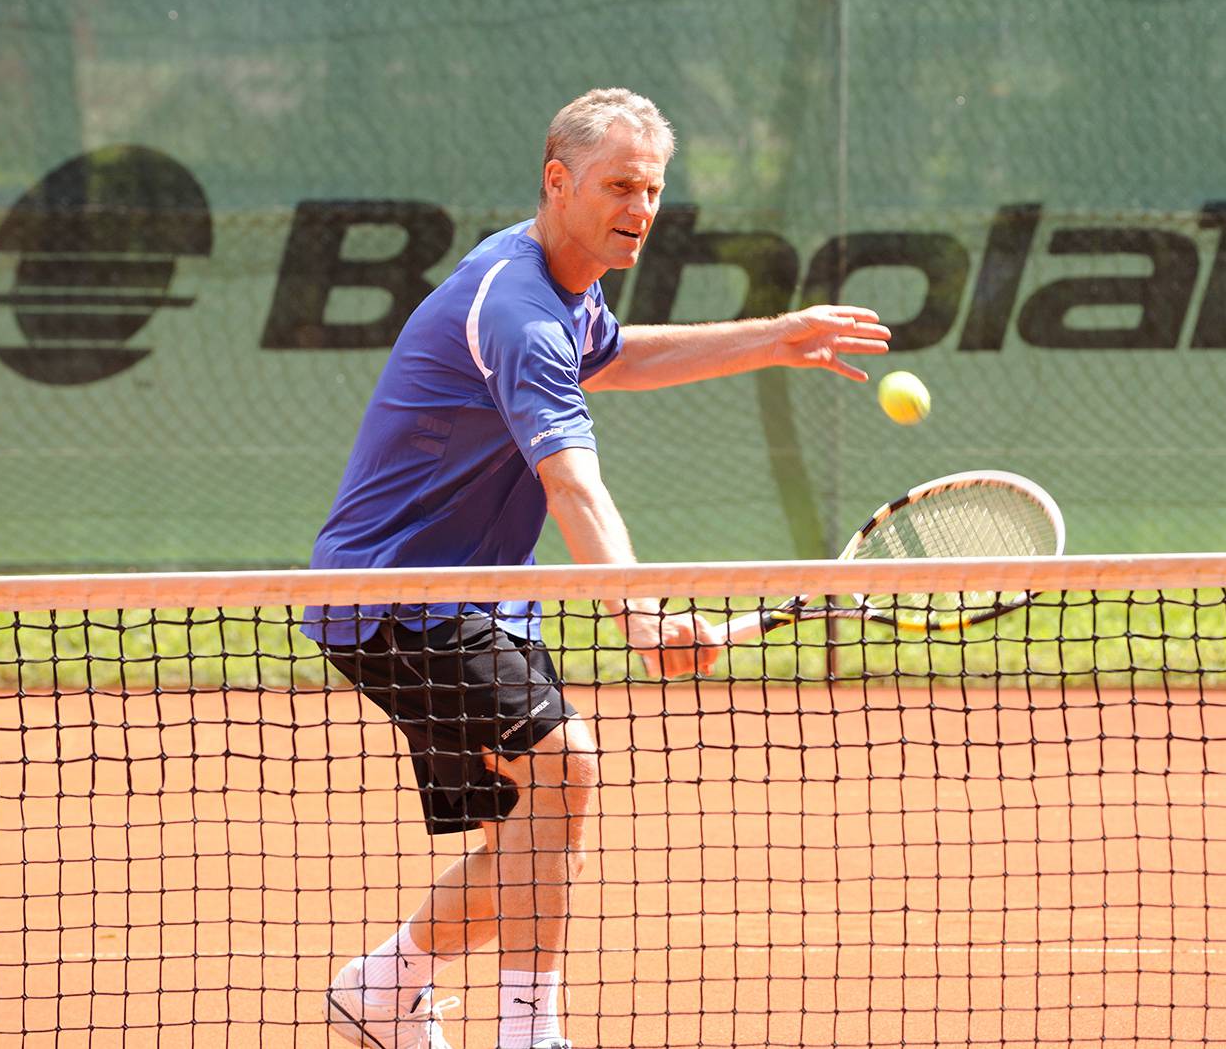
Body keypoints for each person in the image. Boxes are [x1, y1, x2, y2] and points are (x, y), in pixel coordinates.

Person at [311, 88, 890, 1049]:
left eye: (652, 188)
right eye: (620, 183)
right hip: (393, 594)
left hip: (486, 597)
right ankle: (528, 1036)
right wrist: (641, 619)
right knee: (565, 762)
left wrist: (776, 337)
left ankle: (382, 985)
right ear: (558, 180)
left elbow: (611, 358)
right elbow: (575, 486)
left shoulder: (567, 288)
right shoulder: (521, 309)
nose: (640, 205)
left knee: (538, 830)